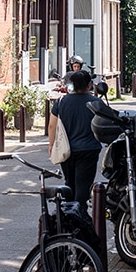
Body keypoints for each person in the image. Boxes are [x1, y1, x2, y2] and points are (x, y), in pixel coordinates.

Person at [48, 69, 100, 208]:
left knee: (69, 183)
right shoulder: (96, 102)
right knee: (83, 184)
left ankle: (68, 213)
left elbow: (52, 126)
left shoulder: (61, 102)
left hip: (67, 149)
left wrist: (51, 145)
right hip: (89, 149)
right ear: (89, 85)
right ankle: (80, 214)